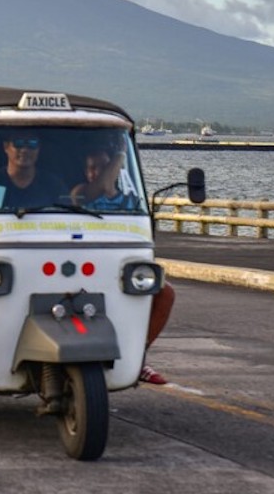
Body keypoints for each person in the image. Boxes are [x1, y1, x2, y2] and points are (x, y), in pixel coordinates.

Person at [71, 148, 173, 385]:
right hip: (82, 263)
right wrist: (117, 155)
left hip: (115, 264)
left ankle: (137, 355)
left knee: (165, 293)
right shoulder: (79, 195)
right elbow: (102, 187)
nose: (96, 172)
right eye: (91, 167)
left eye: (102, 166)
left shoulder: (130, 201)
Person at [0, 132, 65, 209]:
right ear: (6, 147)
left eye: (32, 144)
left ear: (39, 148)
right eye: (18, 143)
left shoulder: (52, 185)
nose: (25, 150)